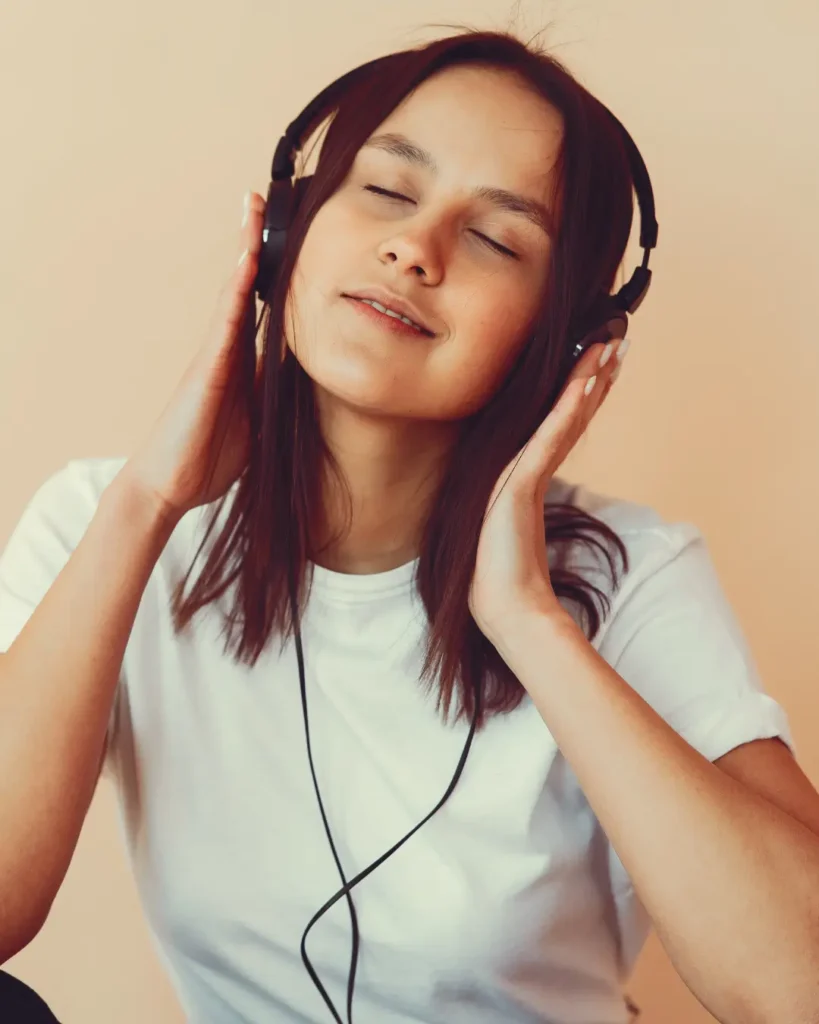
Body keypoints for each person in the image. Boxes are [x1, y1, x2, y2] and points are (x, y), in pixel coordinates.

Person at [1, 26, 815, 1024]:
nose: (413, 249)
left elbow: (800, 983)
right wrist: (143, 506)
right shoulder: (107, 519)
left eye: (495, 239)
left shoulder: (631, 574)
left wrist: (529, 622)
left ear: (563, 340)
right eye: (387, 190)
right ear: (285, 233)